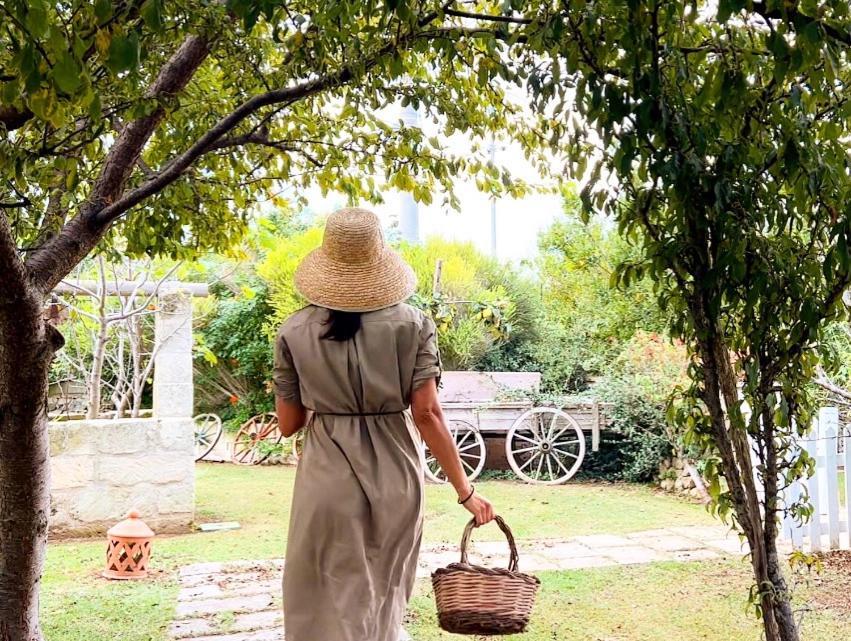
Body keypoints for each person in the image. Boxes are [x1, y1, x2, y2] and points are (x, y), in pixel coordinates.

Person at [272, 207, 495, 641]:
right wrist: (464, 492)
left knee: (319, 597)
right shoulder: (413, 325)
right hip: (396, 474)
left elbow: (288, 424)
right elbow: (427, 414)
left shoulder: (293, 331)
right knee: (384, 594)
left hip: (325, 477)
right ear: (379, 261)